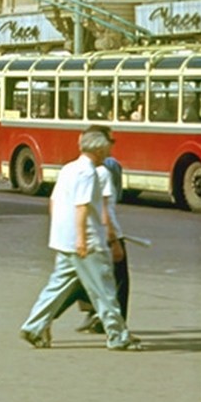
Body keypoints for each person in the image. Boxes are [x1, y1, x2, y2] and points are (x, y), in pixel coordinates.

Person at [19, 128, 140, 350]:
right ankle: (118, 336)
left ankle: (34, 325)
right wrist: (82, 239)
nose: (108, 151)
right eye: (106, 147)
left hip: (64, 240)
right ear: (98, 148)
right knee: (104, 289)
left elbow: (54, 202)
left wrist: (62, 232)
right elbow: (82, 207)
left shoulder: (68, 169)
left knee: (57, 287)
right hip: (87, 240)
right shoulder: (88, 173)